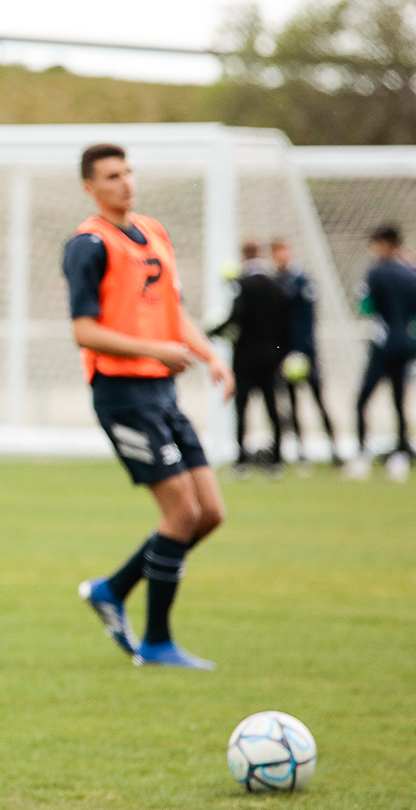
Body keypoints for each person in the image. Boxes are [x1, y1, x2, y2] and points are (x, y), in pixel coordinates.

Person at [65, 143, 231, 671]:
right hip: (122, 394)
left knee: (209, 514)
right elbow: (83, 330)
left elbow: (171, 312)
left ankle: (112, 589)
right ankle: (157, 644)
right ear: (91, 187)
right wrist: (154, 350)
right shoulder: (88, 244)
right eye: (112, 176)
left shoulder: (154, 231)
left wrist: (210, 356)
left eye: (129, 172)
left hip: (162, 390)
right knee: (181, 512)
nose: (126, 182)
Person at [350, 225, 416, 480]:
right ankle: (402, 453)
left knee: (363, 398)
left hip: (384, 345)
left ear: (385, 244)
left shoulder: (377, 272)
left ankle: (362, 453)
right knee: (399, 400)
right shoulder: (414, 273)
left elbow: (365, 305)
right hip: (406, 343)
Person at [209, 240, 290, 477]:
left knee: (242, 405)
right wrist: (280, 351)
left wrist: (211, 332)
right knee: (272, 406)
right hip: (271, 356)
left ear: (244, 256)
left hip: (245, 356)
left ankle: (242, 460)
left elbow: (236, 318)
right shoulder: (276, 284)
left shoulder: (242, 285)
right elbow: (285, 322)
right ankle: (276, 460)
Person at [270, 238, 340, 469]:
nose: (281, 255)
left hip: (306, 352)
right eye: (277, 251)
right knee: (290, 404)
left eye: (284, 250)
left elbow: (308, 318)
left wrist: (303, 350)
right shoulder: (274, 282)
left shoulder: (302, 280)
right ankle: (301, 452)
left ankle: (335, 449)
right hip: (285, 352)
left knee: (319, 399)